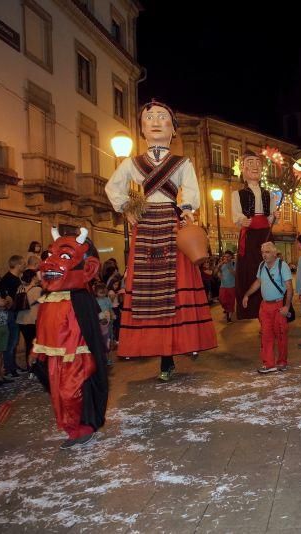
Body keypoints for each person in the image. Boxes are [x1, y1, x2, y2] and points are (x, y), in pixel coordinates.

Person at [105, 100, 217, 381]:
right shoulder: (132, 163)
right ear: (142, 129)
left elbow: (191, 190)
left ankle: (171, 352)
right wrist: (126, 208)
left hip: (170, 221)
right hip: (145, 223)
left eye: (162, 117)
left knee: (175, 287)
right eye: (149, 117)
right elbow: (112, 187)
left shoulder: (182, 163)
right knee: (146, 290)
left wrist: (189, 208)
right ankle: (157, 349)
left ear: (173, 129)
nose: (155, 121)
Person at [31, 228, 108, 449]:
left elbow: (83, 330)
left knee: (71, 393)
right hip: (57, 359)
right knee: (58, 396)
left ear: (89, 267)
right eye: (48, 256)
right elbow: (43, 328)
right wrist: (37, 350)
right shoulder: (49, 298)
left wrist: (80, 353)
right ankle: (72, 429)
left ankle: (84, 426)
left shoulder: (81, 298)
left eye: (64, 256)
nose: (49, 263)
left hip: (76, 358)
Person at [231, 151, 281, 319]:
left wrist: (275, 217)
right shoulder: (237, 194)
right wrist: (241, 220)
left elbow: (271, 217)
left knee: (270, 266)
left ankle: (273, 301)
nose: (255, 166)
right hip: (250, 234)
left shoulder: (269, 194)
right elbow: (236, 215)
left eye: (258, 163)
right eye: (250, 162)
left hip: (266, 233)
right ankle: (251, 308)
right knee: (251, 268)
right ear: (242, 169)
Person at [241, 242, 293, 374]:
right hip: (265, 306)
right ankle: (268, 364)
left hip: (279, 305)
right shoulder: (262, 265)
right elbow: (258, 282)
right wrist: (247, 295)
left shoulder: (282, 266)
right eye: (263, 252)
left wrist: (286, 306)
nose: (264, 255)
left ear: (275, 253)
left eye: (267, 252)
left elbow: (289, 288)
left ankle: (282, 361)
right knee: (266, 335)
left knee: (281, 334)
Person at [0, 254, 26, 377]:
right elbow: (6, 297)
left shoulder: (16, 278)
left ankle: (13, 365)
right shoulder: (8, 279)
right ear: (18, 264)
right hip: (10, 313)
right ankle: (9, 368)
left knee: (15, 342)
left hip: (16, 312)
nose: (24, 265)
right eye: (23, 263)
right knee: (11, 342)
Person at [16, 268, 42, 370]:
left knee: (28, 343)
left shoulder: (20, 288)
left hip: (21, 320)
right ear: (34, 277)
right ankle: (34, 366)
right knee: (35, 344)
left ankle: (29, 366)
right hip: (33, 320)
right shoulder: (37, 290)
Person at [215, 251, 236, 322]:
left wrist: (228, 266)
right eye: (225, 256)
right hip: (223, 286)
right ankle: (227, 309)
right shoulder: (221, 264)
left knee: (231, 301)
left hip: (231, 286)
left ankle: (229, 316)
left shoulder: (234, 263)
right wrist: (218, 269)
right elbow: (215, 272)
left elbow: (235, 274)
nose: (226, 258)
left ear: (231, 257)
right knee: (221, 300)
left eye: (228, 256)